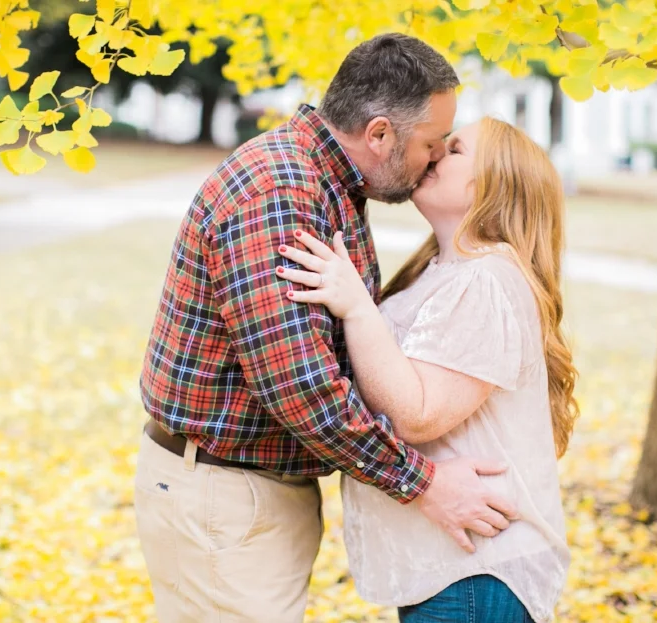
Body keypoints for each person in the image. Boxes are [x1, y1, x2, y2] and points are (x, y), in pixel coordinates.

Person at [134, 34, 519, 623]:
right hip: (223, 493)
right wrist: (424, 484)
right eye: (431, 143)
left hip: (247, 490)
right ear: (380, 134)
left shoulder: (328, 184)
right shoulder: (279, 192)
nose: (436, 158)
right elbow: (299, 386)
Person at [276, 117, 578, 623]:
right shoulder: (443, 272)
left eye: (454, 149)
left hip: (477, 567)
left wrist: (356, 306)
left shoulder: (487, 279)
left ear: (491, 184)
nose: (434, 153)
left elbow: (417, 414)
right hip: (453, 562)